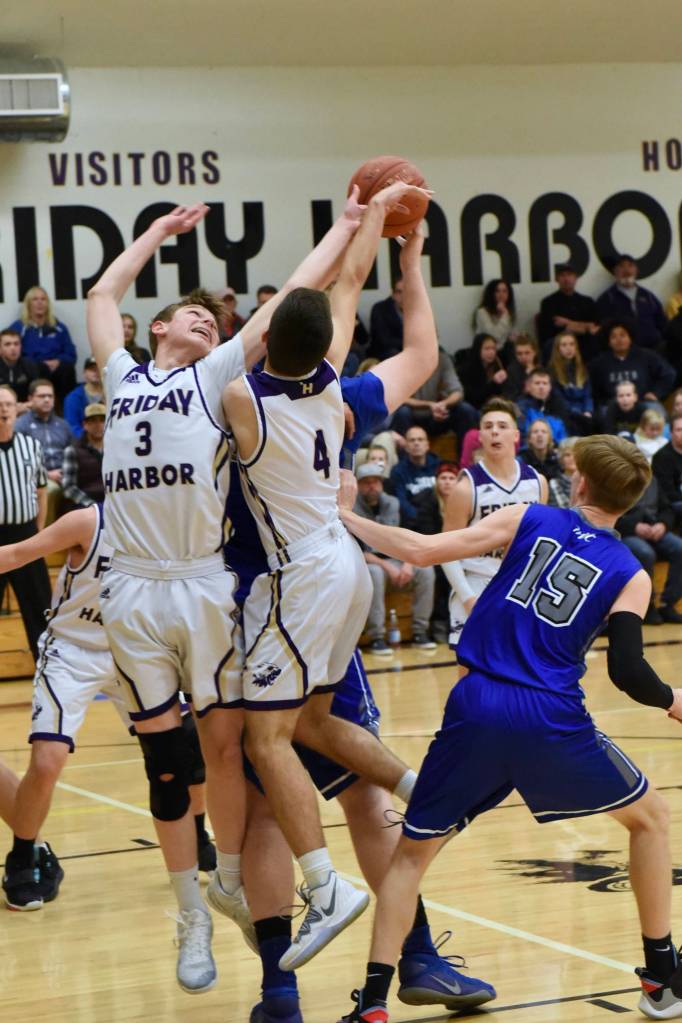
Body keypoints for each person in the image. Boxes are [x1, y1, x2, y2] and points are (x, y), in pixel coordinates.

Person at [87, 198, 368, 993]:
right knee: (168, 763)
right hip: (131, 586)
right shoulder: (121, 373)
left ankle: (234, 878)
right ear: (157, 331)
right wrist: (155, 235)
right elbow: (102, 298)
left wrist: (344, 229)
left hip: (204, 585)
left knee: (226, 749)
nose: (206, 325)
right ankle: (193, 917)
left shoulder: (219, 377)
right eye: (190, 317)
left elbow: (291, 305)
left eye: (215, 322)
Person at [337, 434, 682, 1023]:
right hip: (549, 716)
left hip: (474, 702)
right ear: (631, 504)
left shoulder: (528, 516)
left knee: (409, 858)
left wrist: (341, 515)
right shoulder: (631, 571)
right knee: (648, 818)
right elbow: (628, 671)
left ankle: (371, 1004)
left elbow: (419, 551)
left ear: (579, 484)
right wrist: (674, 700)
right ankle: (661, 978)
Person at [224, 183, 430, 974]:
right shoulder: (332, 386)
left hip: (296, 576)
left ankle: (325, 885)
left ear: (271, 334)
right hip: (347, 566)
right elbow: (346, 289)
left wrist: (360, 210)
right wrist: (377, 218)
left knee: (265, 734)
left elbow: (263, 331)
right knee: (310, 722)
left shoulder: (244, 397)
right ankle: (423, 784)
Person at [0, 505, 214, 911]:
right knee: (48, 760)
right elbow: (14, 555)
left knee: (189, 747)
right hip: (72, 650)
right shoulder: (87, 521)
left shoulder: (171, 522)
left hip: (136, 649)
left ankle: (198, 835)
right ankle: (23, 855)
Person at [442, 397, 546, 649]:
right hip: (477, 581)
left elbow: (542, 543)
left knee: (518, 672)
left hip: (520, 584)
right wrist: (467, 597)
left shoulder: (537, 482)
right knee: (470, 676)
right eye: (488, 426)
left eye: (501, 425)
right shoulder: (466, 487)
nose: (494, 431)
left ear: (516, 435)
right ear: (480, 436)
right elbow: (446, 550)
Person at [354, 462, 436, 654]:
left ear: (382, 484)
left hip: (396, 558)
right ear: (357, 485)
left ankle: (419, 632)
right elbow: (356, 551)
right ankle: (376, 637)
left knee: (426, 570)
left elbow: (407, 535)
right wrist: (387, 566)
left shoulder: (393, 503)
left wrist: (408, 562)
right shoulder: (351, 509)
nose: (372, 486)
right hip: (366, 562)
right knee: (374, 573)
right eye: (367, 482)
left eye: (376, 481)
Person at [0, 385, 51, 661]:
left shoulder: (31, 446)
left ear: (16, 409)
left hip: (25, 535)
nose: (4, 410)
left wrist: (39, 531)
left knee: (38, 607)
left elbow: (42, 491)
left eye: (8, 404)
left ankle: (47, 669)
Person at [617, 475, 682, 626]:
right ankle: (648, 605)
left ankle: (668, 604)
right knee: (645, 553)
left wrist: (663, 524)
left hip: (655, 529)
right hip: (626, 532)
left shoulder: (653, 480)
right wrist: (634, 526)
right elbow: (609, 512)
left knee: (680, 549)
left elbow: (667, 508)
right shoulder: (617, 477)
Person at [390, 347, 478, 446]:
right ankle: (405, 460)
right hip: (414, 417)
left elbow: (458, 392)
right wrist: (429, 405)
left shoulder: (442, 359)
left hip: (440, 415)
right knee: (402, 413)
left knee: (465, 410)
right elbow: (399, 397)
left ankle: (466, 459)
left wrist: (443, 404)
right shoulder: (403, 362)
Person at [413, 462, 459, 643]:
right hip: (434, 552)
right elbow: (426, 534)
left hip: (459, 552)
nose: (447, 482)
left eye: (451, 478)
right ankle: (440, 624)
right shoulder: (428, 503)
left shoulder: (465, 501)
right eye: (443, 478)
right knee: (442, 574)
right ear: (436, 482)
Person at [5, 286, 77, 401]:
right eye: (35, 299)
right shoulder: (19, 327)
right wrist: (39, 364)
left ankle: (65, 409)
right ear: (28, 304)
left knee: (67, 368)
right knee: (39, 369)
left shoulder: (59, 327)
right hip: (33, 369)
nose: (40, 303)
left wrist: (58, 361)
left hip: (57, 369)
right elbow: (13, 354)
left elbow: (71, 353)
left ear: (47, 303)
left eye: (43, 299)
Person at [589, 320, 676, 410]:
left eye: (623, 335)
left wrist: (656, 392)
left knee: (657, 415)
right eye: (613, 337)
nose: (619, 340)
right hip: (612, 406)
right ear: (608, 342)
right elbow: (593, 388)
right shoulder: (599, 363)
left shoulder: (646, 356)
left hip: (644, 403)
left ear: (630, 338)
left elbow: (669, 374)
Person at [596, 255, 667, 351]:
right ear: (615, 271)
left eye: (630, 266)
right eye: (621, 266)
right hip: (625, 353)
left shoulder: (648, 296)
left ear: (636, 270)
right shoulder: (607, 299)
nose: (627, 270)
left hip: (654, 350)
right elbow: (603, 330)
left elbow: (663, 323)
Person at [537, 263, 600, 358]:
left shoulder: (587, 302)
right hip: (559, 346)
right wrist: (584, 327)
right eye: (562, 275)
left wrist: (568, 322)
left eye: (569, 275)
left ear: (576, 278)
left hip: (584, 345)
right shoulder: (548, 302)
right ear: (557, 279)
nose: (566, 279)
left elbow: (594, 327)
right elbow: (552, 330)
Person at [388, 425, 441, 525]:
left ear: (427, 445)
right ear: (406, 446)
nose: (416, 443)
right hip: (413, 522)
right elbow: (401, 502)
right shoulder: (398, 471)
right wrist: (421, 518)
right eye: (412, 440)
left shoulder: (439, 465)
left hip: (437, 518)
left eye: (420, 439)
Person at [546, 331, 594, 434]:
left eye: (572, 344)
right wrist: (577, 412)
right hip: (565, 412)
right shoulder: (552, 371)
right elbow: (557, 398)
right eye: (564, 345)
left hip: (582, 412)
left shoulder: (582, 368)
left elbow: (587, 395)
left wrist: (588, 411)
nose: (569, 348)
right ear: (558, 349)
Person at [61, 403, 105, 508]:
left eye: (102, 420)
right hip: (85, 506)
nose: (98, 425)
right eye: (93, 421)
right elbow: (69, 488)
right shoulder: (72, 451)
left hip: (113, 504)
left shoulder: (116, 449)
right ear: (85, 424)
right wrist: (92, 505)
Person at [516, 368, 569, 443]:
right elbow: (522, 437)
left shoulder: (558, 407)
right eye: (537, 383)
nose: (541, 387)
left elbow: (564, 438)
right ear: (528, 386)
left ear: (550, 387)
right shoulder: (521, 407)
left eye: (545, 383)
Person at [460, 333, 507, 408]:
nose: (491, 352)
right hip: (475, 406)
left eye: (494, 348)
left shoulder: (498, 364)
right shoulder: (467, 368)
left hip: (495, 404)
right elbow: (472, 397)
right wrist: (493, 383)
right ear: (478, 350)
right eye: (487, 349)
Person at [63, 357, 106, 438]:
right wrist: (90, 439)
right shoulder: (73, 398)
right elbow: (72, 427)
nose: (96, 372)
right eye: (91, 369)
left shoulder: (113, 394)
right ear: (84, 372)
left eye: (98, 369)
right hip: (84, 444)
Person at [652, 414, 682, 528]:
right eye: (679, 430)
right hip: (672, 503)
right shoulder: (662, 457)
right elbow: (667, 492)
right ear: (671, 433)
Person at [473, 279, 516, 355]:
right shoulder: (482, 312)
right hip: (488, 351)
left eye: (504, 291)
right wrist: (505, 314)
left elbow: (507, 335)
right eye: (497, 291)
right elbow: (493, 336)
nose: (501, 294)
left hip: (504, 350)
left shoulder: (508, 311)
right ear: (491, 294)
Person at [0, 329, 39, 411]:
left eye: (16, 344)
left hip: (24, 410)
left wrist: (26, 405)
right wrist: (13, 408)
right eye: (7, 344)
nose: (13, 348)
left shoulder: (29, 366)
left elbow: (37, 394)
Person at [369, 279, 404, 361]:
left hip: (410, 349)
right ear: (393, 293)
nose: (404, 295)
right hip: (385, 351)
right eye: (399, 292)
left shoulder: (417, 309)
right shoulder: (380, 309)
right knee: (395, 354)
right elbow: (383, 340)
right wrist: (410, 344)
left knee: (438, 353)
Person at [502, 333, 541, 400]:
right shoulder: (511, 372)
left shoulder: (542, 369)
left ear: (535, 352)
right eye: (519, 354)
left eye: (527, 353)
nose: (523, 357)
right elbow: (510, 397)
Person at [548, 437, 578, 508]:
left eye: (576, 454)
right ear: (561, 459)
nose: (572, 458)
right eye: (567, 455)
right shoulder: (553, 484)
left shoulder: (590, 482)